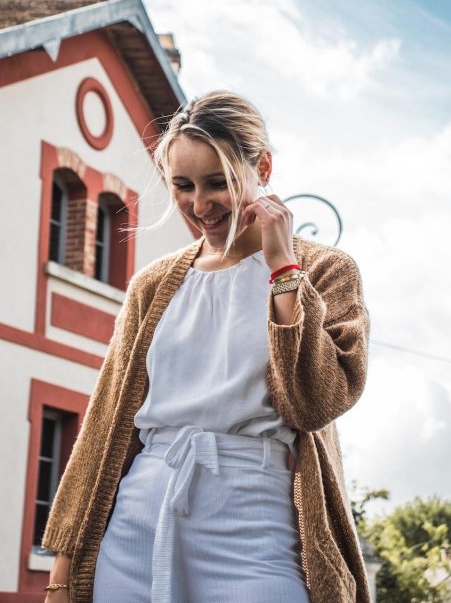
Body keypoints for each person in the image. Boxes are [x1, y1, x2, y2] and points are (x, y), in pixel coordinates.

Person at [41, 90, 372, 603]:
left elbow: (314, 402)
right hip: (138, 516)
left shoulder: (327, 271)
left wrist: (284, 269)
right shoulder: (153, 285)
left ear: (261, 166)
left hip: (256, 522)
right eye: (183, 186)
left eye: (218, 183)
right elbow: (104, 427)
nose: (199, 205)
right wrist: (62, 573)